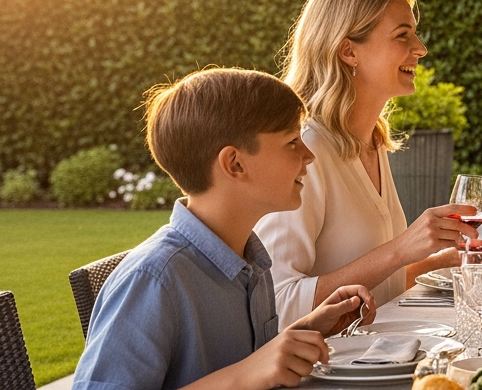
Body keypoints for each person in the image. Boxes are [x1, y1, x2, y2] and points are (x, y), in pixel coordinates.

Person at [74, 68, 375, 390]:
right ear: (235, 164)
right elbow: (243, 374)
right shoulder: (153, 279)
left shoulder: (249, 260)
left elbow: (245, 364)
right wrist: (243, 376)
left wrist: (304, 330)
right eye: (291, 141)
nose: (309, 155)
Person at [256, 0, 482, 326]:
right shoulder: (305, 150)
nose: (421, 49)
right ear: (348, 50)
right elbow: (277, 303)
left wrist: (437, 261)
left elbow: (376, 284)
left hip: (374, 358)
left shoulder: (371, 143)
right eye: (402, 35)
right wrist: (400, 249)